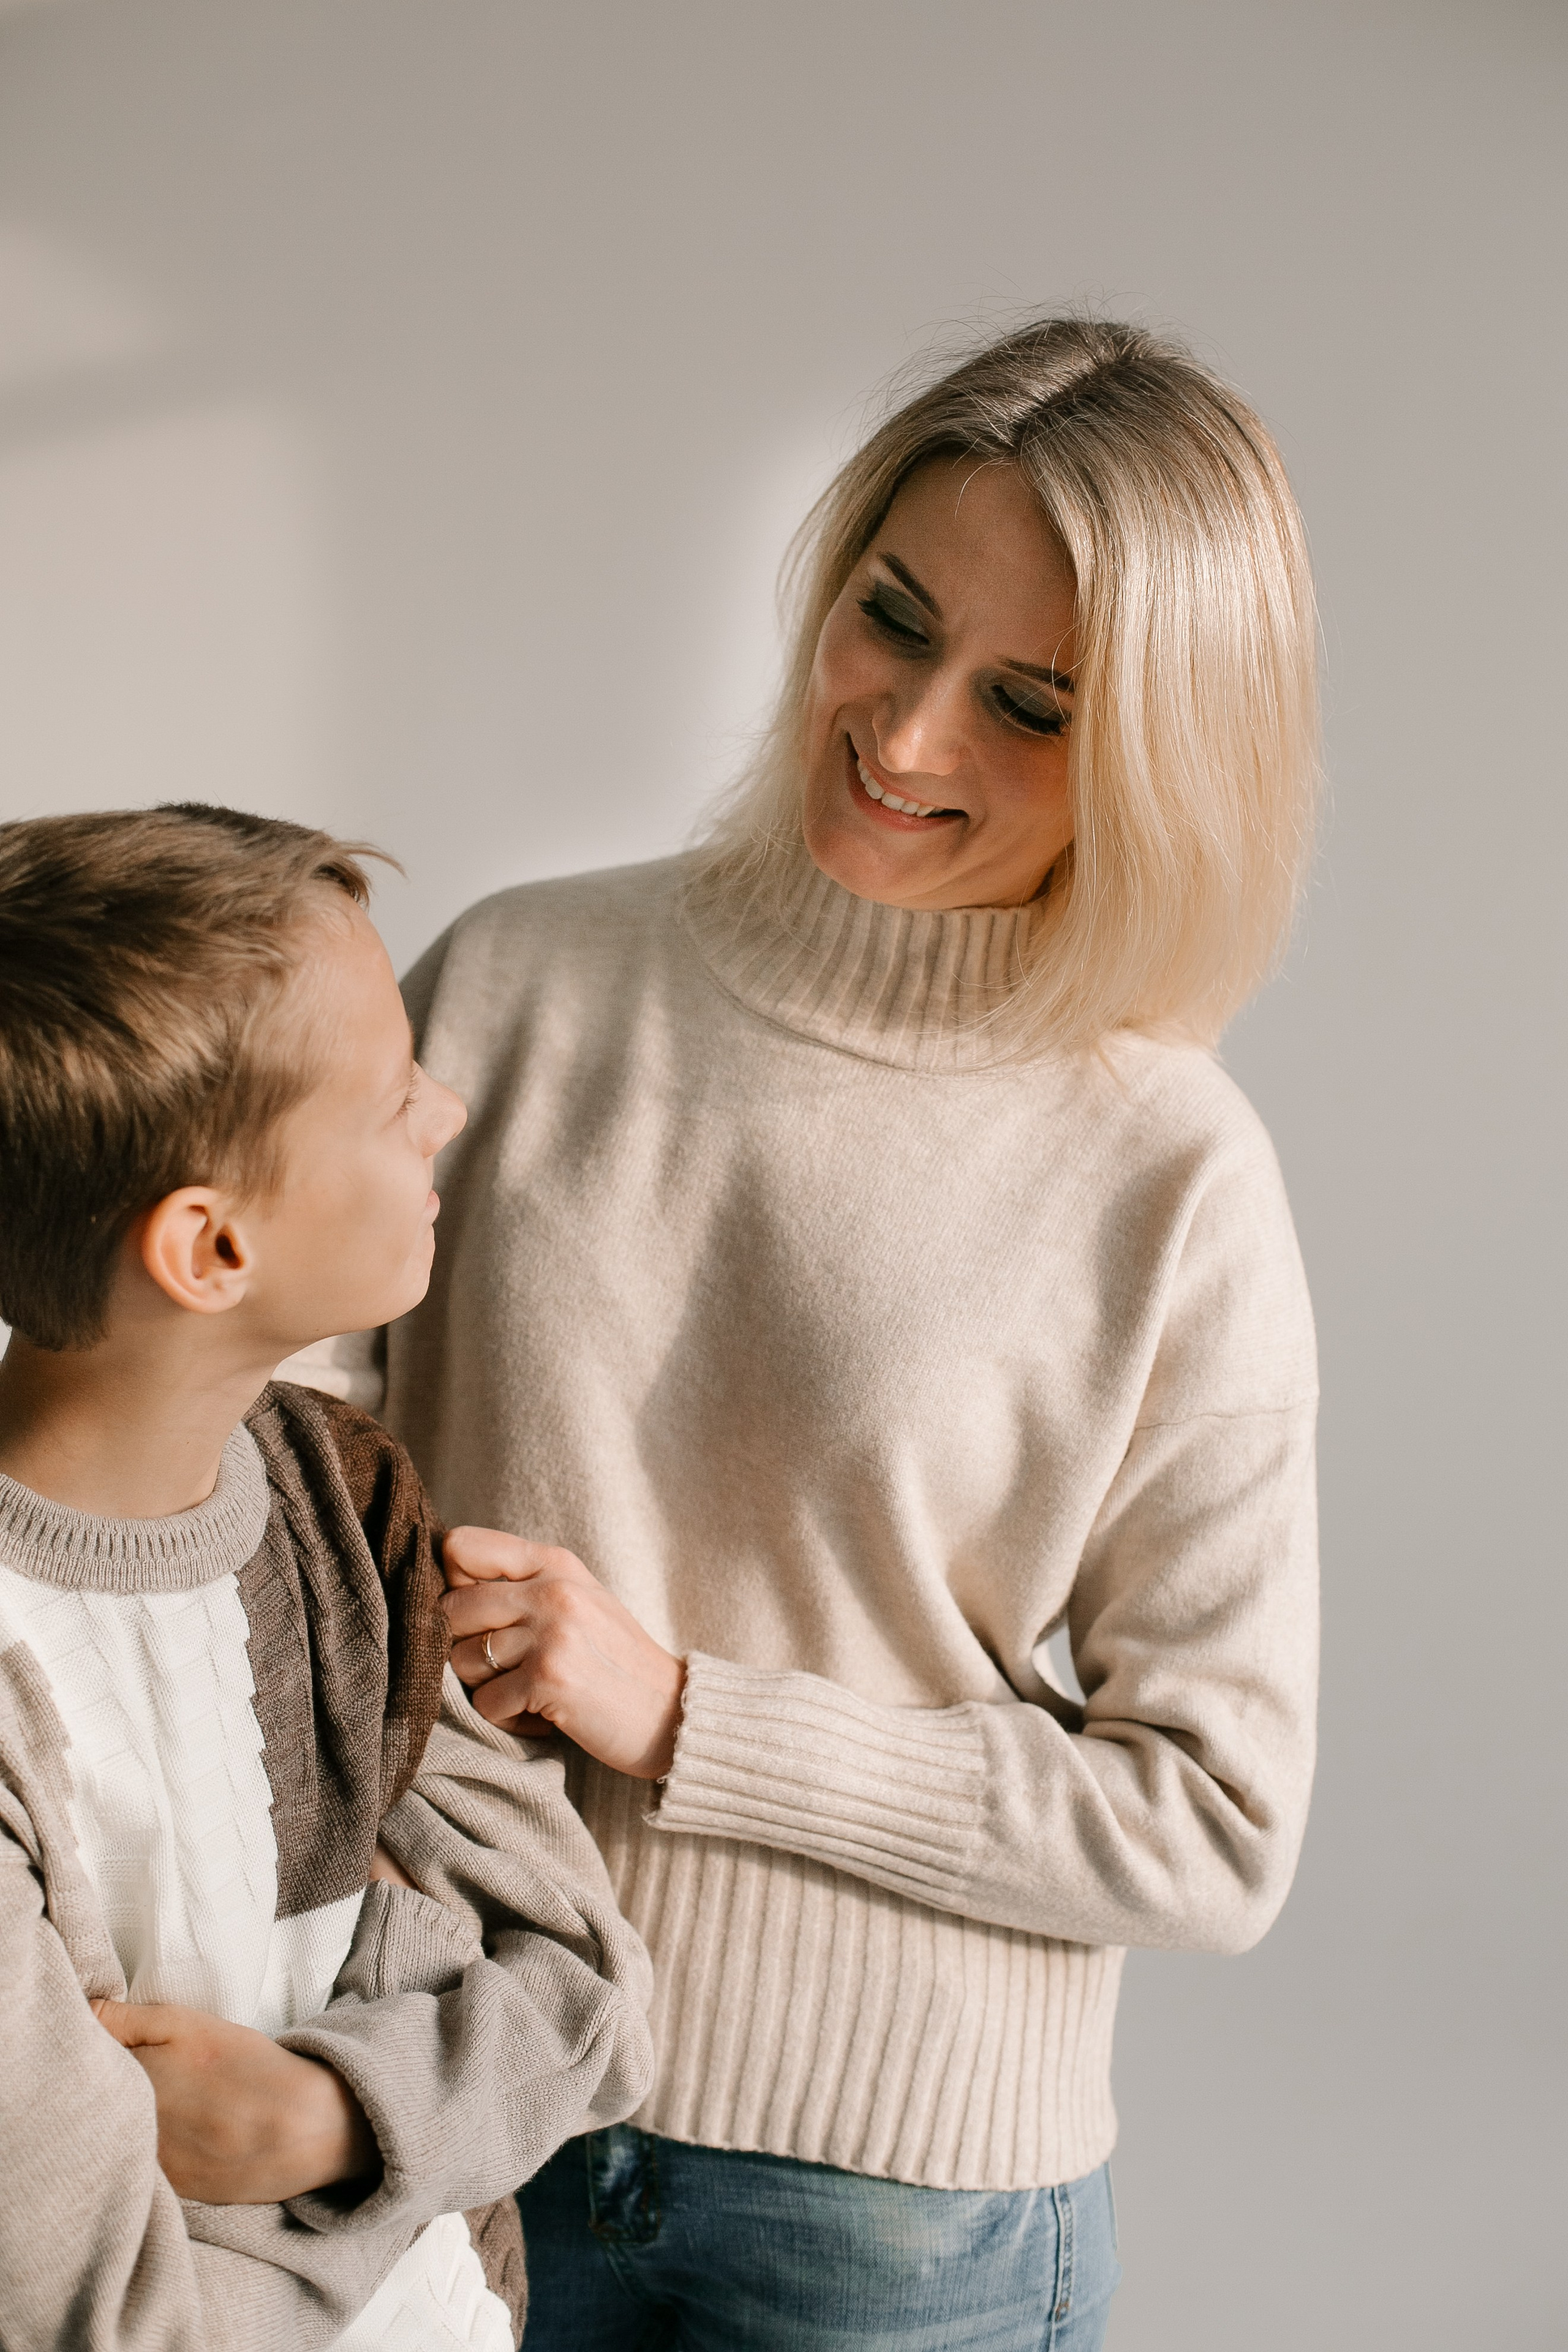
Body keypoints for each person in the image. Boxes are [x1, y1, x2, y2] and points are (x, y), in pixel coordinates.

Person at [302, 315, 1321, 2350]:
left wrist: (685, 1712)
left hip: (883, 2214)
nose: (913, 735)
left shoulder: (1168, 1170)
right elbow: (268, 1470)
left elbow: (1212, 1827)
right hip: (447, 2102)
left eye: (1031, 704)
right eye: (892, 618)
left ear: (1158, 749)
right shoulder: (517, 982)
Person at [0, 804, 654, 2351]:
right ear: (210, 1252)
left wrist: (329, 2118)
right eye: (387, 1097)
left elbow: (588, 2000)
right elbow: (101, 2302)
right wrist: (421, 2122)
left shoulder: (337, 1505)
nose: (446, 1109)